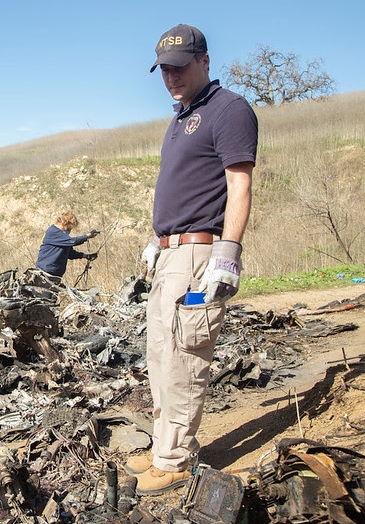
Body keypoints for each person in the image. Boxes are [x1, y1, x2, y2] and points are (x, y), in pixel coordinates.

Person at [128, 24, 258, 495]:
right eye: (164, 69)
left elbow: (238, 183)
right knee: (161, 357)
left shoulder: (229, 110)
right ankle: (165, 445)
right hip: (169, 254)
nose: (171, 77)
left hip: (201, 255)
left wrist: (229, 251)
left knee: (186, 356)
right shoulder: (180, 118)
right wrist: (156, 238)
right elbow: (183, 187)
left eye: (180, 66)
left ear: (204, 60)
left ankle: (176, 459)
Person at [35, 211, 98, 277]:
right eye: (69, 228)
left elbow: (70, 253)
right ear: (64, 223)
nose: (69, 230)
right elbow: (73, 241)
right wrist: (88, 236)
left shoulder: (63, 238)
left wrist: (86, 256)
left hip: (55, 275)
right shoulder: (53, 232)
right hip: (44, 272)